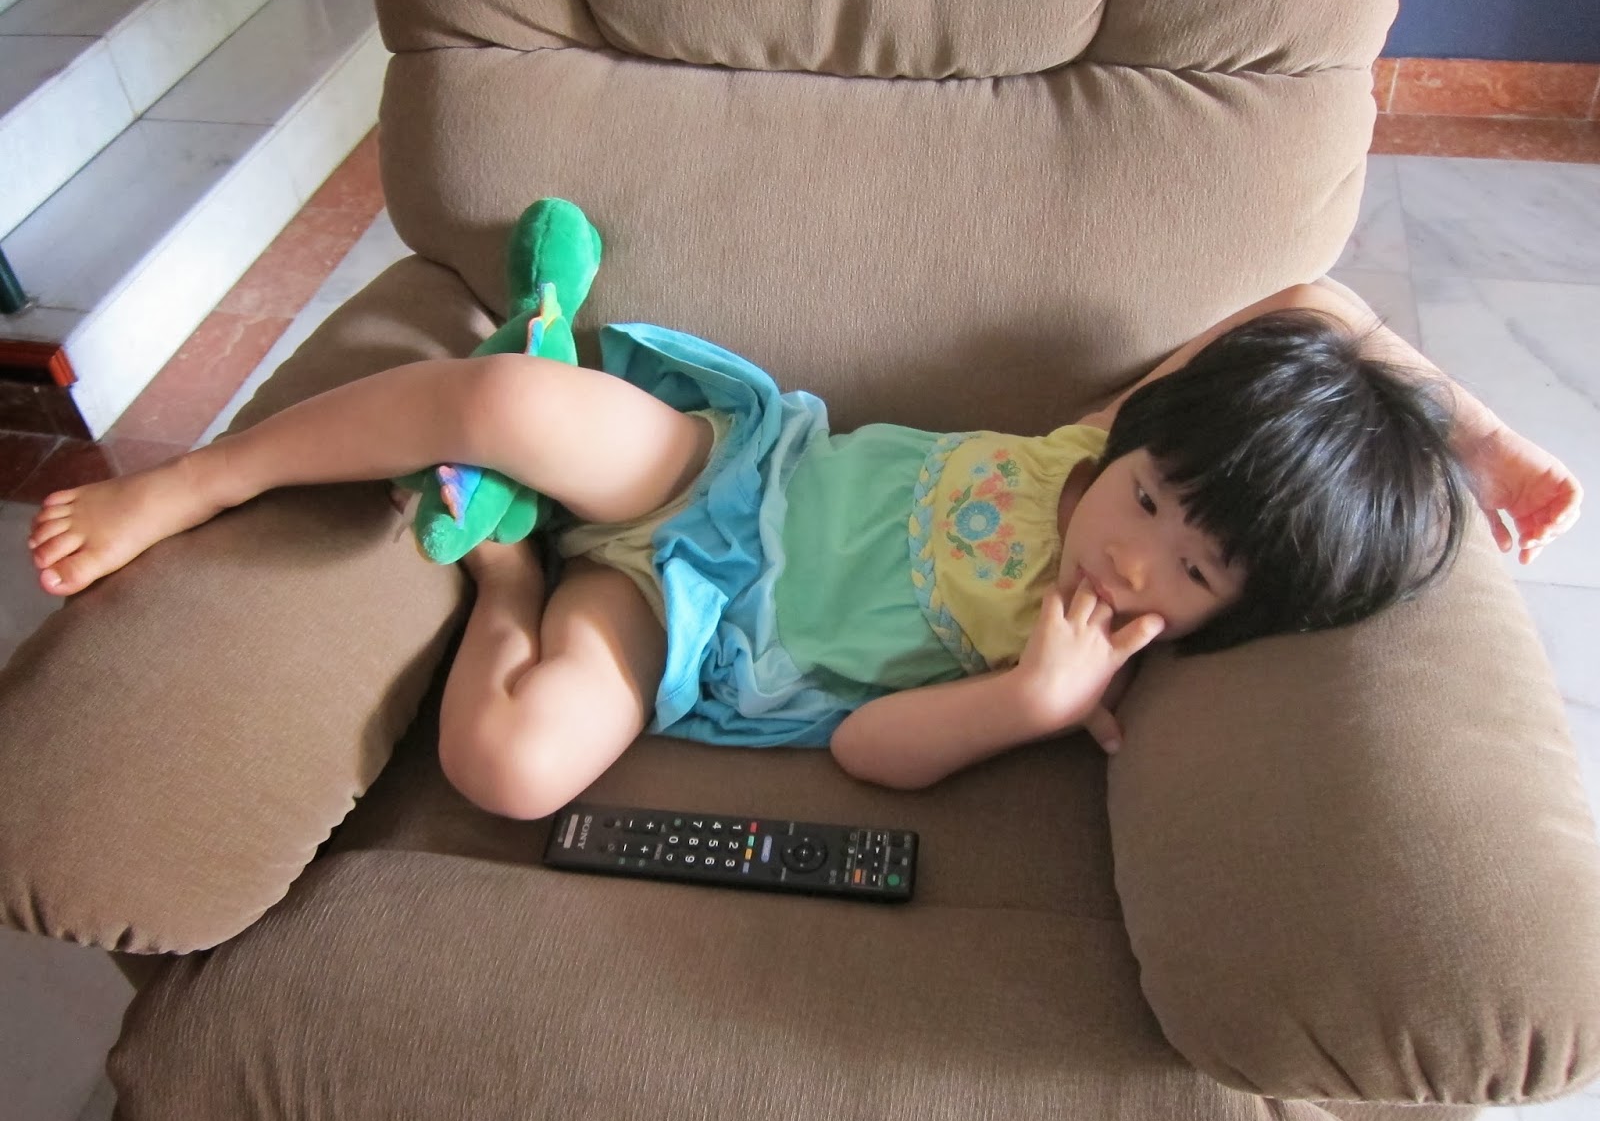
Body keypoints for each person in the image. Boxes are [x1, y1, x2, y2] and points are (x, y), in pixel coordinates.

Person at [24, 277, 1582, 818]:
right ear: (1138, 453)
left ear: (1229, 617)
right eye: (1152, 507)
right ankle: (200, 480)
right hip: (729, 462)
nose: (1136, 558)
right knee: (500, 396)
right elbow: (1310, 306)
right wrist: (1480, 439)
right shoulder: (1098, 447)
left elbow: (870, 755)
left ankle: (505, 566)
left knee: (510, 767)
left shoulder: (1068, 658)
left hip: (698, 625)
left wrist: (1031, 707)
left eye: (1193, 575)